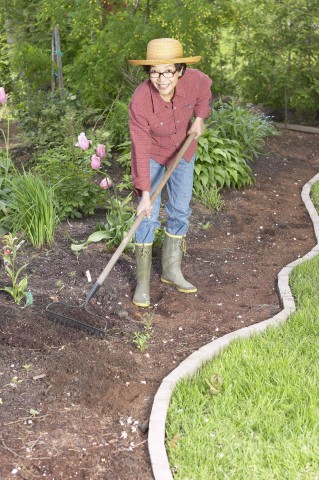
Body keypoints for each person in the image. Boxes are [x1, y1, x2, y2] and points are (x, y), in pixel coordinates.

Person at [128, 38, 212, 307]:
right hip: (152, 155)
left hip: (183, 151)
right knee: (148, 215)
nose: (161, 78)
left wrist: (199, 118)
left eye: (167, 71)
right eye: (154, 71)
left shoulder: (194, 79)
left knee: (179, 209)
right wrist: (144, 194)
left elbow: (205, 92)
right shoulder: (140, 101)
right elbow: (140, 148)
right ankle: (142, 283)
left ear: (180, 70)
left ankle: (171, 271)